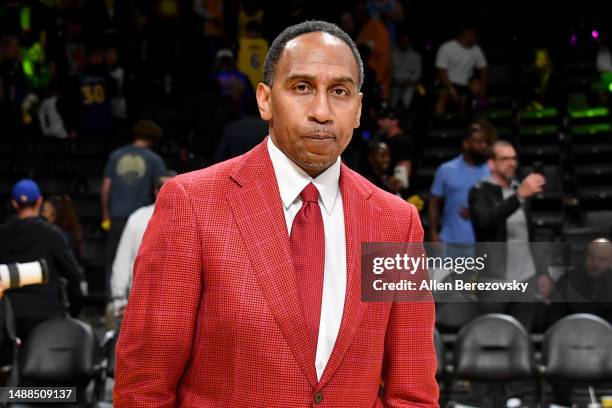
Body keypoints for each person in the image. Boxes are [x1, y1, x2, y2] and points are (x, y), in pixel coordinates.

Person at [115, 20, 438, 407]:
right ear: (265, 100)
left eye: (339, 91)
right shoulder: (192, 203)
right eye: (302, 87)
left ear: (358, 109)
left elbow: (412, 392)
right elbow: (145, 387)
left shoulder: (396, 223)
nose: (322, 111)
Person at [468, 141, 552, 330]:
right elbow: (485, 222)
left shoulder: (519, 190)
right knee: (493, 338)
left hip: (526, 279)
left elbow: (530, 236)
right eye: (504, 159)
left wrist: (542, 272)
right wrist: (518, 197)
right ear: (491, 163)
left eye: (513, 158)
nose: (511, 163)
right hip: (495, 280)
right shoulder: (479, 191)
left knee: (522, 339)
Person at [0, 180, 84, 343]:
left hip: (7, 317)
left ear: (14, 204)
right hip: (46, 317)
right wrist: (74, 313)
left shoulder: (2, 235)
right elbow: (74, 277)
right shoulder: (53, 234)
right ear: (39, 201)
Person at [101, 119, 167, 296]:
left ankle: (112, 301)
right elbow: (164, 188)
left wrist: (106, 215)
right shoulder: (155, 160)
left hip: (116, 216)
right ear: (153, 139)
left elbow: (106, 187)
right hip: (141, 219)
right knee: (139, 259)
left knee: (115, 259)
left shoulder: (115, 156)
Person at [109, 170, 177, 319]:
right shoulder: (137, 218)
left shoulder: (190, 217)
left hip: (177, 300)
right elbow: (123, 259)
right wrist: (119, 299)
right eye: (165, 187)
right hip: (141, 300)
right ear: (156, 191)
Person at [428, 121, 492, 244]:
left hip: (483, 243)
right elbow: (434, 202)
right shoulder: (446, 169)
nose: (484, 146)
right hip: (450, 241)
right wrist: (433, 233)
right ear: (466, 144)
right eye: (479, 142)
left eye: (485, 142)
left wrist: (477, 214)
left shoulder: (491, 170)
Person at [434, 26, 488, 114]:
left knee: (476, 87)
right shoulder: (447, 48)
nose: (475, 38)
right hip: (447, 82)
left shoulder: (476, 50)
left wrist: (482, 88)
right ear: (466, 35)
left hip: (466, 83)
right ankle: (438, 121)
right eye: (473, 36)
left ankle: (473, 120)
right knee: (443, 94)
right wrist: (451, 89)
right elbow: (441, 71)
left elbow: (484, 69)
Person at [374, 106, 414, 190]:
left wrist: (394, 187)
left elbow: (402, 174)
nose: (379, 123)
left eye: (383, 120)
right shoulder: (384, 140)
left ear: (394, 121)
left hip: (395, 193)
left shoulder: (401, 142)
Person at [41, 195, 84, 261]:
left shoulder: (64, 237)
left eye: (44, 211)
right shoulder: (56, 234)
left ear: (55, 215)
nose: (42, 214)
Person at [390, 30, 422, 111]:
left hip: (409, 85)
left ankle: (405, 112)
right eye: (402, 40)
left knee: (408, 97)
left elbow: (417, 74)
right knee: (393, 101)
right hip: (395, 84)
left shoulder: (415, 55)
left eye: (406, 40)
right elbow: (389, 70)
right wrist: (395, 81)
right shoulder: (392, 53)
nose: (404, 42)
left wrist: (409, 82)